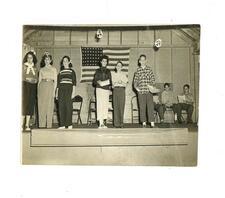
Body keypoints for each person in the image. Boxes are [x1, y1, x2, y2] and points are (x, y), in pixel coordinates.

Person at [133, 54, 156, 128]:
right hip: (141, 92)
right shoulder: (137, 70)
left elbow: (153, 79)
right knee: (142, 107)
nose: (142, 61)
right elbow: (135, 82)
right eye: (141, 60)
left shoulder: (149, 69)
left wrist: (151, 86)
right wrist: (137, 89)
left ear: (146, 61)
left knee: (150, 107)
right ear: (139, 61)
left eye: (144, 60)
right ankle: (144, 123)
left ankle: (152, 122)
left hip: (149, 91)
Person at [56, 56, 76, 129]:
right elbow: (58, 84)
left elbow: (74, 83)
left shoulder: (72, 71)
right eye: (63, 61)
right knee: (61, 107)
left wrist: (73, 93)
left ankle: (69, 124)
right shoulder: (60, 72)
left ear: (69, 62)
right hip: (61, 90)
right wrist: (56, 93)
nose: (65, 62)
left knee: (68, 107)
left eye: (66, 61)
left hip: (69, 90)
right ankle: (62, 125)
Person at [38, 52, 57, 128]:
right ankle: (41, 126)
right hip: (42, 86)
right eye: (45, 59)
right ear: (44, 60)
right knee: (41, 107)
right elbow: (39, 82)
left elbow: (55, 81)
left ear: (50, 60)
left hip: (50, 86)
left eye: (48, 59)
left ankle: (49, 126)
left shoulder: (53, 69)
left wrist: (54, 92)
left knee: (49, 107)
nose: (47, 60)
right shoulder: (41, 69)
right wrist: (37, 93)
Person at [93, 55, 112, 129]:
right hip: (99, 89)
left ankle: (104, 122)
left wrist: (107, 83)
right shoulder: (97, 71)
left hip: (106, 90)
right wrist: (99, 82)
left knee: (105, 105)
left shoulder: (108, 71)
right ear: (101, 62)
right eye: (103, 61)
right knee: (100, 105)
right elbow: (94, 81)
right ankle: (100, 122)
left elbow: (111, 81)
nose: (104, 62)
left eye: (105, 61)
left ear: (107, 62)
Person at [22, 51, 38, 131]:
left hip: (32, 87)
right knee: (24, 104)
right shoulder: (23, 66)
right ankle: (21, 124)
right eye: (28, 57)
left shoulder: (35, 67)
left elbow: (36, 78)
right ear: (26, 58)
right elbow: (23, 77)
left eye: (31, 57)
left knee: (30, 105)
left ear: (33, 59)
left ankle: (27, 124)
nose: (29, 59)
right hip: (25, 86)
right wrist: (28, 79)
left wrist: (33, 80)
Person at [111, 61, 128, 128]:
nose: (118, 67)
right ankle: (116, 124)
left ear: (122, 67)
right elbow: (112, 86)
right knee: (115, 106)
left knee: (121, 107)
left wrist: (121, 82)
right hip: (115, 90)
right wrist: (114, 84)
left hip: (121, 90)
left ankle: (121, 123)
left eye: (120, 66)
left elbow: (125, 85)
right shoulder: (113, 74)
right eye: (117, 65)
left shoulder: (124, 75)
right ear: (115, 67)